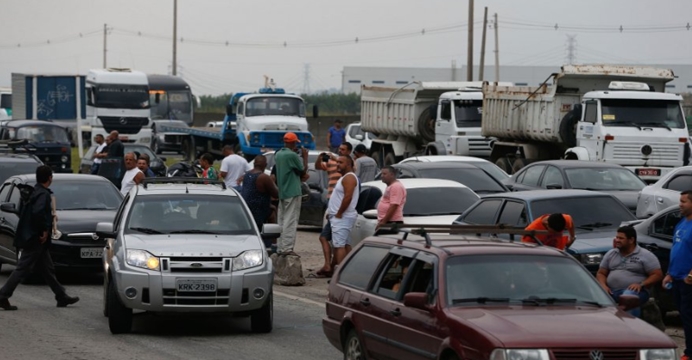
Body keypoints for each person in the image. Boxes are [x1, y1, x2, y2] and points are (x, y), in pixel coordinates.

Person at [0, 166, 80, 311]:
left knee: (48, 269)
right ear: (50, 178)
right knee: (22, 268)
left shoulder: (34, 192)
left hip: (32, 236)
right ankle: (2, 295)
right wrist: (43, 230)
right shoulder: (42, 194)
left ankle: (61, 296)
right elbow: (38, 213)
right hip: (36, 238)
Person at [597, 226, 663, 318]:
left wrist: (641, 284)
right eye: (616, 237)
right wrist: (603, 286)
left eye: (621, 238)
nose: (617, 240)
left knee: (628, 297)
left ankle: (631, 325)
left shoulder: (645, 255)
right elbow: (601, 273)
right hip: (611, 291)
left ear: (631, 240)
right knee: (593, 298)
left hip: (636, 292)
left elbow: (657, 275)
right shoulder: (611, 254)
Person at [315, 142, 353, 276]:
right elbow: (318, 167)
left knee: (337, 243)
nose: (340, 151)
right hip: (333, 204)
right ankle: (333, 267)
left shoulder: (349, 172)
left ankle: (338, 271)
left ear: (349, 152)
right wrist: (321, 158)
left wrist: (338, 213)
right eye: (339, 149)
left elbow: (348, 196)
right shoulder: (335, 164)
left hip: (339, 211)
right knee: (337, 241)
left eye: (343, 149)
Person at [663, 190, 692, 360]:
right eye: (680, 201)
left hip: (689, 281)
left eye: (684, 201)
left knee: (689, 317)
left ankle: (690, 353)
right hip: (677, 278)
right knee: (684, 316)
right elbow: (676, 250)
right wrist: (669, 274)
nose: (680, 204)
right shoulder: (681, 223)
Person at [274, 132, 308, 256]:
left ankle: (280, 247)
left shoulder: (278, 154)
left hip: (283, 191)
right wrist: (305, 157)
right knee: (290, 220)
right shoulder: (292, 155)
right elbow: (302, 171)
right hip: (292, 191)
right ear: (292, 142)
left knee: (281, 220)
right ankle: (287, 248)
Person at [326, 155, 360, 266]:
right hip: (340, 217)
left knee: (339, 246)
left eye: (341, 162)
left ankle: (339, 274)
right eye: (337, 162)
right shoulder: (344, 177)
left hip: (342, 217)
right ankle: (348, 271)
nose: (337, 164)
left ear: (349, 164)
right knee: (345, 244)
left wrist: (339, 213)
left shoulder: (349, 177)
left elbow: (348, 197)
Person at [241, 155, 279, 248]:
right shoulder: (264, 177)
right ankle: (273, 244)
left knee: (271, 207)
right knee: (273, 213)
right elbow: (276, 194)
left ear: (254, 164)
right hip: (258, 209)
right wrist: (273, 181)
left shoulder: (247, 175)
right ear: (265, 165)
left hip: (246, 208)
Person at [376, 165, 407, 232]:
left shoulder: (396, 186)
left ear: (392, 174)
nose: (382, 176)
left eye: (384, 174)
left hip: (392, 222)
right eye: (381, 174)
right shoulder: (391, 186)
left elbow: (394, 205)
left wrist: (383, 222)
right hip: (389, 221)